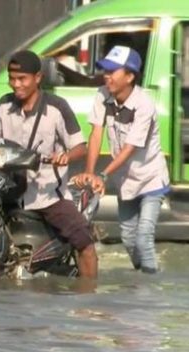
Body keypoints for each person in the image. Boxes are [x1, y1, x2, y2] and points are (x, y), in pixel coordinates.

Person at [0, 50, 98, 279]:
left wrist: (66, 157)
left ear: (38, 78)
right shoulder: (3, 106)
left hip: (47, 195)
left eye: (22, 79)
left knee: (85, 244)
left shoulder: (57, 107)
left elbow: (81, 146)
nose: (16, 85)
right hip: (7, 190)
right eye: (12, 79)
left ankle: (90, 298)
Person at [73, 46, 169, 274]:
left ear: (130, 76)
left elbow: (129, 148)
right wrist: (89, 172)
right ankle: (142, 278)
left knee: (144, 236)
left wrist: (103, 175)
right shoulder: (102, 95)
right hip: (125, 179)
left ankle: (150, 291)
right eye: (105, 71)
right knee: (127, 236)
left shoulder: (144, 105)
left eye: (113, 71)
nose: (107, 76)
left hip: (151, 178)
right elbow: (96, 133)